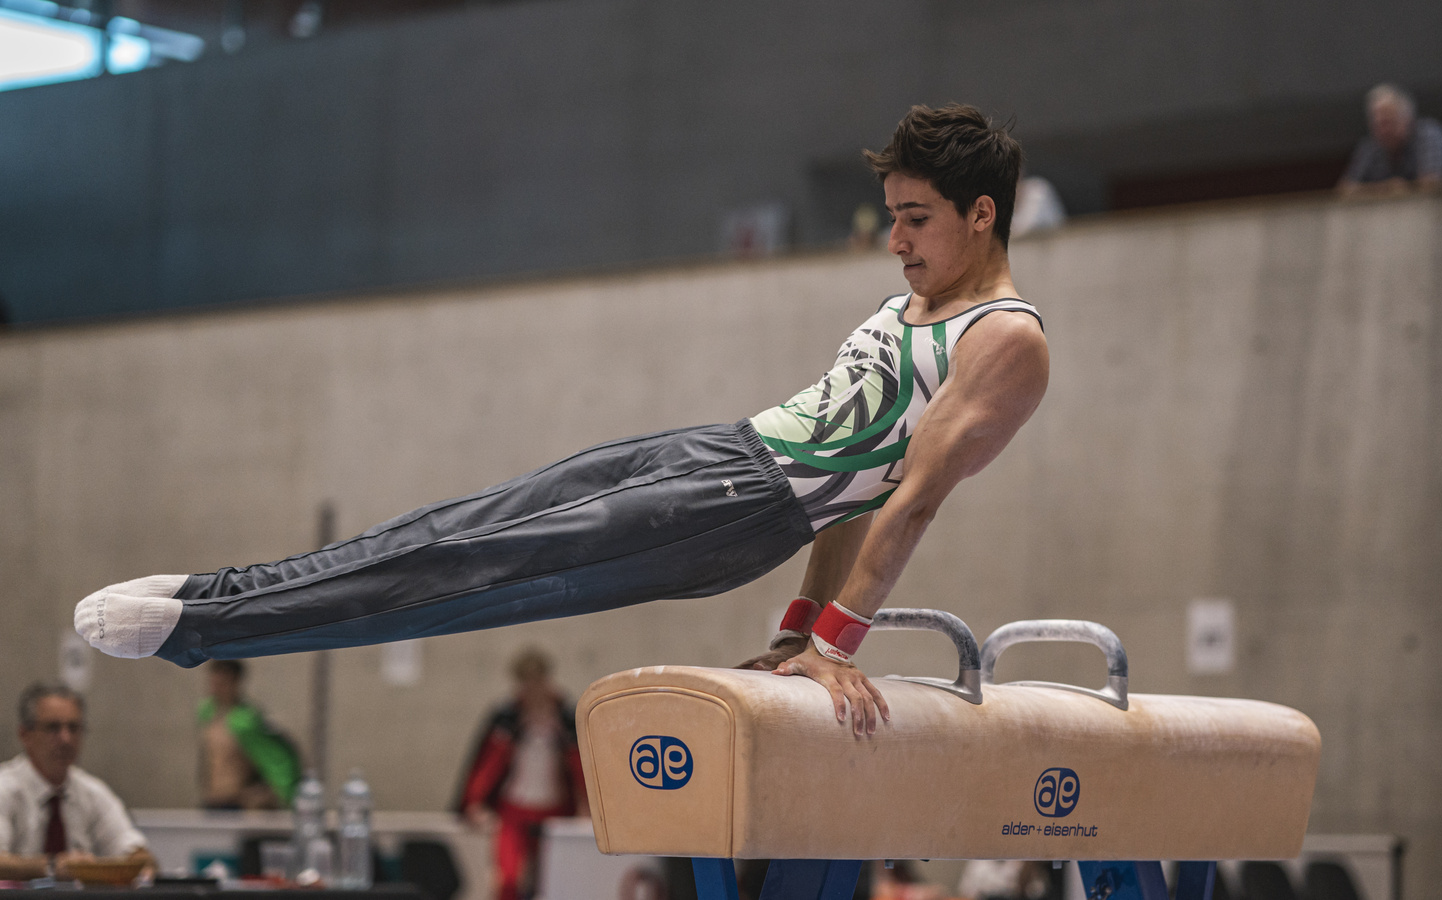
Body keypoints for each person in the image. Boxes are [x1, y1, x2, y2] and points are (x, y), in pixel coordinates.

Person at [73, 102, 1050, 738]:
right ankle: (214, 591)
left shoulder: (1004, 341)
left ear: (978, 214)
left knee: (472, 572)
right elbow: (852, 499)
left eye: (913, 217)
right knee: (462, 525)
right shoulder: (913, 305)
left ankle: (207, 627)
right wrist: (798, 630)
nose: (893, 241)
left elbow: (906, 504)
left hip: (737, 510)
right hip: (719, 449)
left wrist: (836, 646)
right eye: (889, 214)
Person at [455, 647, 585, 900]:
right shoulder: (506, 716)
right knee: (509, 881)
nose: (533, 690)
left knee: (555, 880)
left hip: (556, 809)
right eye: (527, 684)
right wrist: (474, 802)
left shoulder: (568, 716)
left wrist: (586, 808)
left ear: (548, 680)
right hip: (513, 810)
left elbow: (582, 767)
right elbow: (485, 764)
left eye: (538, 682)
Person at [0, 684, 155, 881]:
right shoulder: (4, 789)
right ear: (25, 735)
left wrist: (139, 863)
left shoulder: (93, 792)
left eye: (74, 728)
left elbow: (140, 856)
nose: (66, 739)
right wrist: (52, 867)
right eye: (53, 728)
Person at [196, 660, 300, 810]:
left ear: (236, 682)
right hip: (211, 800)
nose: (216, 688)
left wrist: (275, 792)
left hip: (236, 802)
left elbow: (275, 758)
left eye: (223, 682)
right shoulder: (207, 713)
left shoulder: (246, 721)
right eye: (214, 681)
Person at [1337, 83, 1442, 199]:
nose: (1384, 131)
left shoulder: (1429, 134)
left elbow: (1434, 184)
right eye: (1378, 124)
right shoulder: (1370, 146)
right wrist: (1388, 188)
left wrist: (1404, 188)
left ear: (1407, 119)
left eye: (1389, 122)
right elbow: (1344, 191)